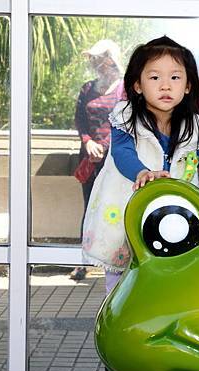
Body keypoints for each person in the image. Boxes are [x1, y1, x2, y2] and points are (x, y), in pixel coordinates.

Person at [81, 36, 199, 371]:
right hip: (125, 226)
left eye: (175, 78)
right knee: (120, 298)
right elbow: (124, 155)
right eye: (155, 77)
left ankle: (167, 367)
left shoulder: (193, 124)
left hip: (176, 229)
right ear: (136, 84)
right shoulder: (126, 117)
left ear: (189, 84)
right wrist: (143, 172)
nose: (165, 85)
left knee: (174, 296)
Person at [71, 39, 123, 281]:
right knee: (89, 207)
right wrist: (87, 141)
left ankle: (115, 259)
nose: (95, 64)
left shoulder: (126, 89)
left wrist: (106, 146)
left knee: (114, 207)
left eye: (99, 59)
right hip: (91, 158)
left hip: (117, 158)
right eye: (93, 60)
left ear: (111, 60)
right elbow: (80, 119)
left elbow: (128, 122)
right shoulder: (87, 88)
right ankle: (83, 262)